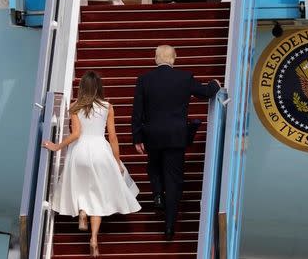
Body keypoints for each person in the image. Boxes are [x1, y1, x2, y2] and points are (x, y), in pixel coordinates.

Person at [42, 71, 141, 257]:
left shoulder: (75, 107)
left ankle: (82, 211)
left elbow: (76, 134)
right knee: (99, 196)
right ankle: (94, 238)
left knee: (80, 188)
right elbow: (112, 137)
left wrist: (57, 146)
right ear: (99, 87)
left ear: (82, 88)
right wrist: (117, 161)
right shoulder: (107, 107)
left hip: (79, 152)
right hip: (100, 152)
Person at [131, 45, 220, 240]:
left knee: (153, 167)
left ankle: (157, 194)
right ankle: (169, 226)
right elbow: (205, 93)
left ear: (155, 58)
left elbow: (137, 111)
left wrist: (137, 137)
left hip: (152, 135)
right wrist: (215, 84)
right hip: (176, 137)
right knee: (173, 180)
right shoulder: (185, 77)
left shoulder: (144, 80)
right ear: (174, 58)